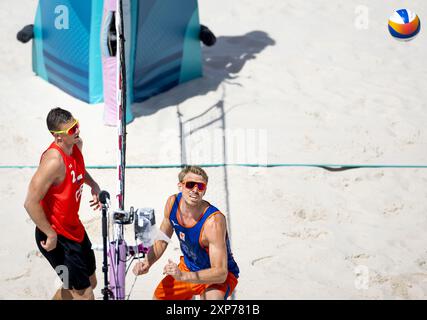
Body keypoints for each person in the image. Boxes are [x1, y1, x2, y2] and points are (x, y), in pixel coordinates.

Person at [24, 107, 101, 300]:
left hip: (74, 228)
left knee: (91, 282)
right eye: (71, 130)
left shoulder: (76, 144)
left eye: (76, 125)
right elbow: (30, 203)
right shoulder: (53, 162)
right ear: (57, 137)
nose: (77, 131)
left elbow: (78, 169)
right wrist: (50, 234)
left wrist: (94, 185)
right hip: (56, 238)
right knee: (85, 295)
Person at [133, 166, 239, 300]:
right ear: (180, 186)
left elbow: (221, 273)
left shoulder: (213, 222)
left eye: (200, 187)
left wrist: (182, 276)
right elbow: (162, 239)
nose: (195, 190)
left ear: (204, 191)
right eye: (190, 185)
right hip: (188, 268)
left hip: (214, 276)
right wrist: (147, 262)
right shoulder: (172, 203)